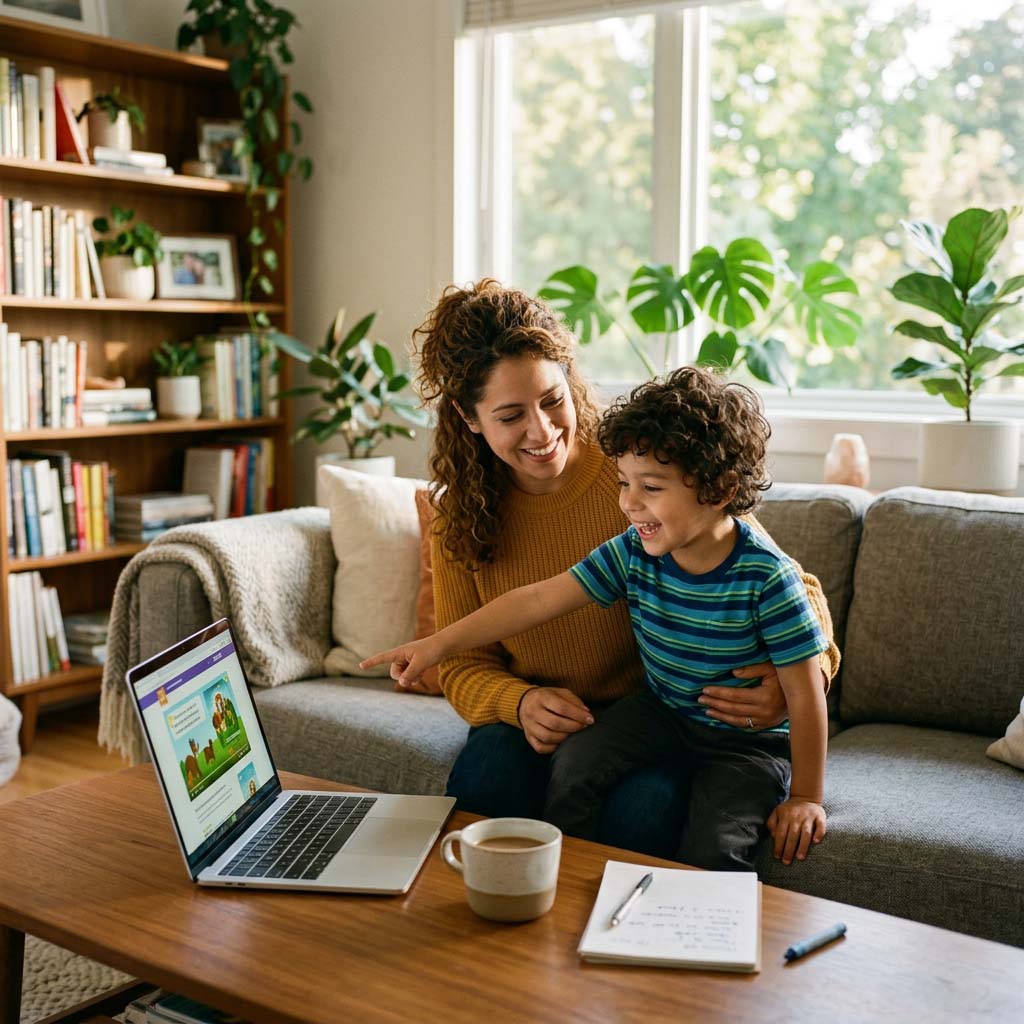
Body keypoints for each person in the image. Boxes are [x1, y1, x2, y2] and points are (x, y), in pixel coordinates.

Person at [404, 279, 839, 857]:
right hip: (543, 716)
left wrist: (787, 687)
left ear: (569, 378)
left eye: (552, 399)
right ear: (469, 417)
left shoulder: (638, 459)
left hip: (652, 710)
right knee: (487, 782)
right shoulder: (462, 512)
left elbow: (777, 578)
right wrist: (517, 701)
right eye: (510, 415)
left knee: (644, 813)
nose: (542, 430)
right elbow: (488, 640)